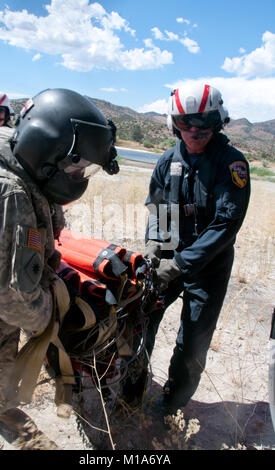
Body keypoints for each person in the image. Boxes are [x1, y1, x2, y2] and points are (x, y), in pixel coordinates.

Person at [0, 88, 119, 450]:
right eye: (76, 165)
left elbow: (42, 236)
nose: (79, 174)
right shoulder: (6, 193)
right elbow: (11, 297)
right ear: (46, 152)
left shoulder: (21, 167)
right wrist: (51, 315)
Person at [121, 83, 250, 412]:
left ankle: (169, 406)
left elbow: (225, 225)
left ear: (218, 120)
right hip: (166, 258)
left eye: (203, 122)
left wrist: (178, 264)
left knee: (192, 343)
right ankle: (129, 393)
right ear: (173, 123)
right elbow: (158, 208)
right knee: (140, 322)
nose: (194, 130)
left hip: (209, 267)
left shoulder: (232, 163)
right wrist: (153, 247)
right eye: (185, 123)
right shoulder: (167, 160)